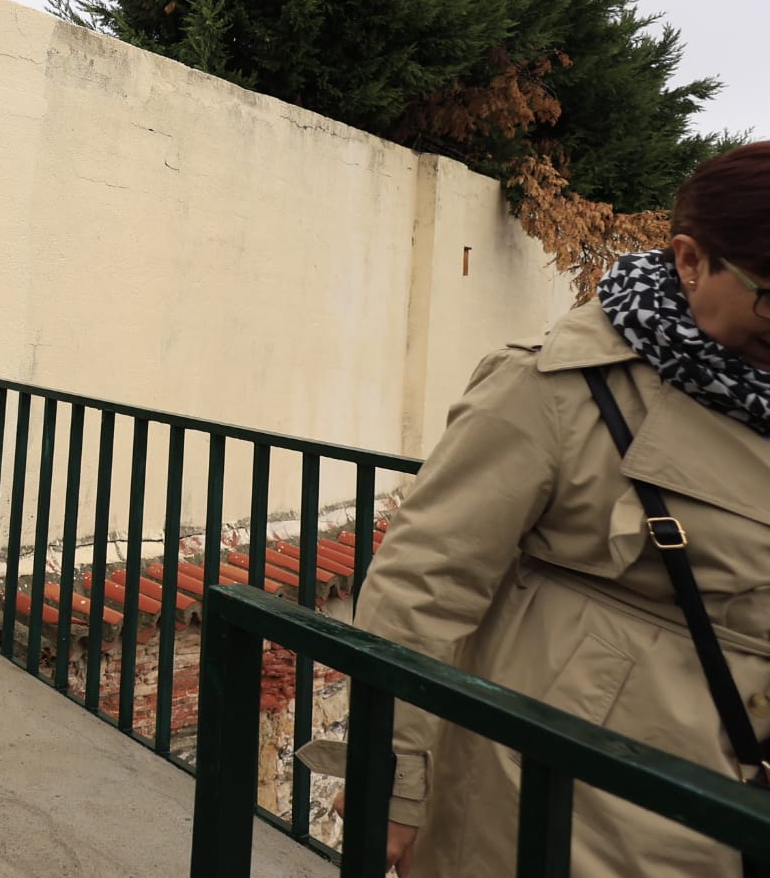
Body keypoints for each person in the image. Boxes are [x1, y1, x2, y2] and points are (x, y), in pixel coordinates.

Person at [323, 142, 770, 877]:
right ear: (691, 260)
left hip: (733, 807)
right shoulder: (559, 385)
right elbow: (423, 586)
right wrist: (393, 788)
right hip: (568, 800)